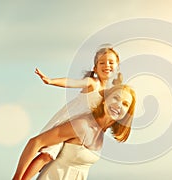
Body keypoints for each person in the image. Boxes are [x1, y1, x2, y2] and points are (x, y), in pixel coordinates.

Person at [23, 46, 122, 179]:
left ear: (118, 67)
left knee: (57, 156)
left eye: (111, 62)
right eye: (102, 62)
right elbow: (71, 82)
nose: (107, 65)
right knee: (47, 155)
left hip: (82, 130)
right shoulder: (93, 83)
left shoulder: (113, 92)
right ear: (95, 68)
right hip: (69, 121)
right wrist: (51, 81)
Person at [12, 84, 136, 180]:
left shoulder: (100, 132)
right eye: (116, 97)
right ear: (104, 100)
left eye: (125, 104)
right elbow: (36, 142)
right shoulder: (82, 125)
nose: (119, 105)